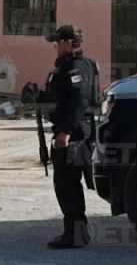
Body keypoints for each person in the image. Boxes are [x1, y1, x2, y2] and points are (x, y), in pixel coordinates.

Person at [41, 24, 99, 250]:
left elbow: (80, 101)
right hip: (73, 129)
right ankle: (77, 232)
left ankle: (74, 234)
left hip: (73, 132)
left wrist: (65, 132)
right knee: (68, 183)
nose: (55, 47)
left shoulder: (76, 67)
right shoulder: (72, 66)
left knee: (67, 184)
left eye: (57, 43)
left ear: (67, 43)